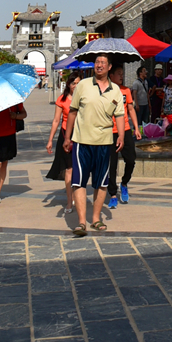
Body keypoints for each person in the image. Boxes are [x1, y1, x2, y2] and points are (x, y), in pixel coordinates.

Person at [63, 53, 125, 236]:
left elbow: (120, 115)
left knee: (102, 183)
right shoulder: (82, 85)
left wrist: (120, 135)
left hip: (105, 142)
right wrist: (68, 137)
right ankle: (81, 222)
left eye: (103, 63)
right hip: (82, 141)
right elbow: (73, 112)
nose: (99, 65)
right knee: (79, 181)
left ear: (109, 67)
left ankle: (96, 219)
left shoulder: (115, 90)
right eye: (97, 62)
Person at [45, 71, 82, 213]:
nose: (76, 86)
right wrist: (50, 140)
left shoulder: (84, 98)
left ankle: (77, 194)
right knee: (69, 169)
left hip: (81, 135)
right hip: (66, 135)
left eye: (79, 83)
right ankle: (69, 202)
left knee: (79, 168)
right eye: (73, 83)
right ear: (69, 84)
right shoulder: (62, 99)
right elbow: (56, 121)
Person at [107, 63, 141, 208]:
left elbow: (131, 109)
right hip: (110, 132)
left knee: (131, 159)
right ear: (111, 76)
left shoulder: (126, 90)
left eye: (122, 73)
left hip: (126, 130)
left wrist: (136, 128)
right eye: (118, 73)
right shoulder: (106, 91)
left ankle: (125, 183)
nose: (121, 76)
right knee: (112, 165)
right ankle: (113, 194)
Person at [0, 100, 27, 207]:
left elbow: (24, 114)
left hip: (9, 135)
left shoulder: (14, 100)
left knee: (4, 164)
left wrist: (15, 116)